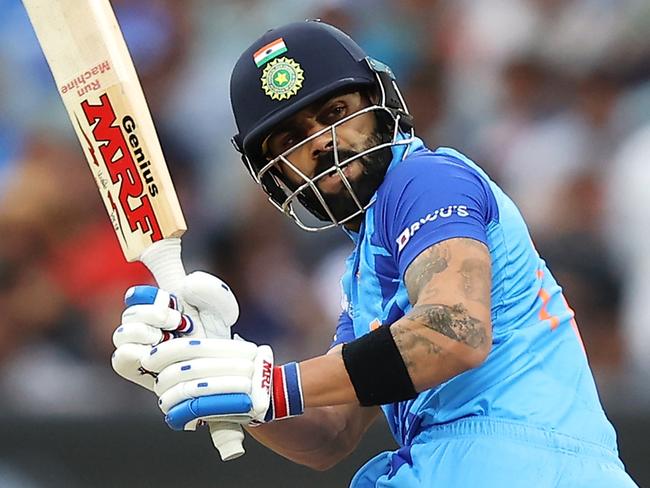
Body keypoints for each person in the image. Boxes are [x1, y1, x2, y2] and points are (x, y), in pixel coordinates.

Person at [111, 21, 638, 487]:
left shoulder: (425, 180)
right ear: (273, 176)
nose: (322, 142)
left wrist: (268, 381)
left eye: (337, 112)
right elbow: (328, 434)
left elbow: (453, 331)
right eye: (293, 138)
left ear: (381, 103)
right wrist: (216, 364)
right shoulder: (368, 272)